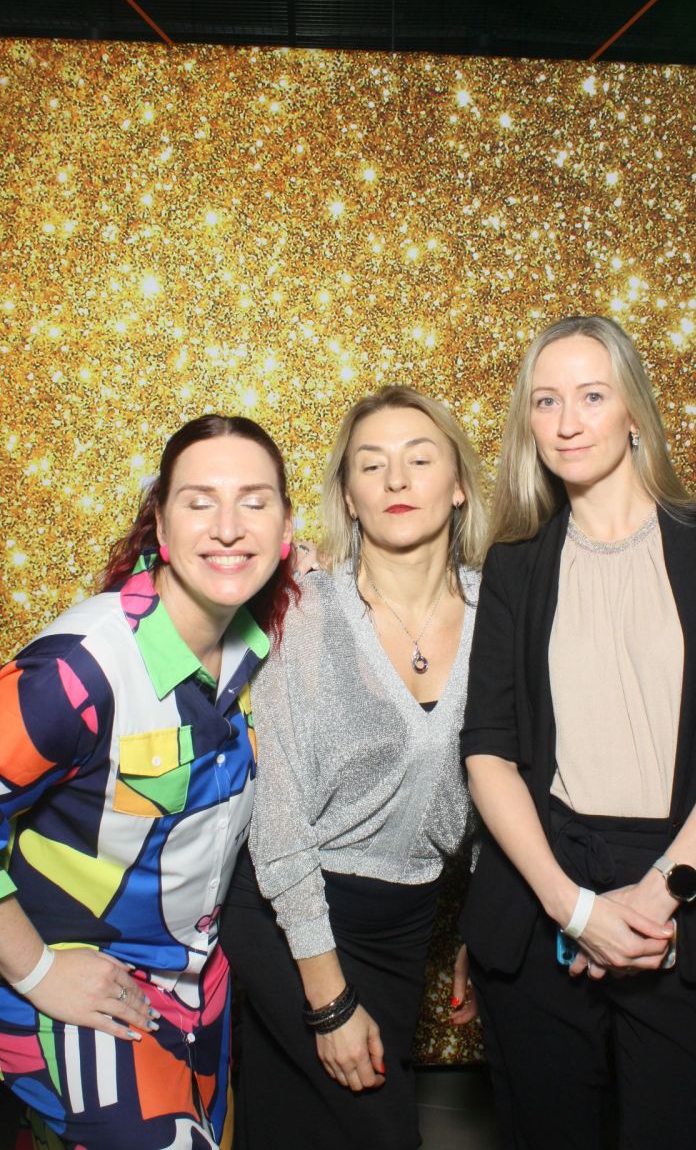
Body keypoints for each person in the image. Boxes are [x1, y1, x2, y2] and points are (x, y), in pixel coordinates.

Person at [459, 315, 696, 1150]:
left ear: (634, 411)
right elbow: (488, 750)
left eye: (591, 396)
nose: (567, 422)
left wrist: (657, 893)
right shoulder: (515, 563)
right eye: (546, 401)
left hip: (690, 888)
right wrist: (574, 909)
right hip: (544, 891)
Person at [0, 414, 298, 1149]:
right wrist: (37, 973)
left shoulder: (265, 649)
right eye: (200, 501)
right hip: (82, 992)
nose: (228, 527)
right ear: (160, 525)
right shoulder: (82, 665)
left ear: (287, 529)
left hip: (201, 996)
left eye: (254, 501)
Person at [221, 385, 487, 1150]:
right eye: (371, 465)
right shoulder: (301, 612)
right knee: (377, 1127)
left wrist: (487, 924)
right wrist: (329, 1000)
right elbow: (277, 822)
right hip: (286, 912)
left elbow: (509, 780)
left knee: (292, 1127)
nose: (396, 479)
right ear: (348, 495)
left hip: (405, 927)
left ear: (458, 484)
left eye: (419, 459)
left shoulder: (502, 612)